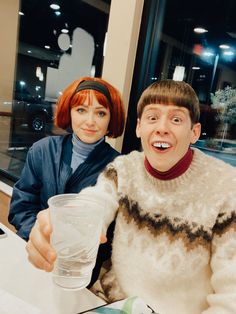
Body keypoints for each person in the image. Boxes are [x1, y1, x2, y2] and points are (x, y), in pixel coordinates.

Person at [26, 80, 236, 314]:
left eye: (176, 119)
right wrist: (54, 225)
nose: (162, 128)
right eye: (152, 117)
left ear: (194, 132)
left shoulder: (226, 187)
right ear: (138, 127)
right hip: (109, 302)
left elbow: (231, 296)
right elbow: (95, 202)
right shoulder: (123, 169)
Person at [9, 76, 125, 285]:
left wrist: (83, 247)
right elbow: (21, 207)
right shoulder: (42, 150)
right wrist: (39, 238)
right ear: (69, 112)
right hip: (35, 260)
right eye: (81, 110)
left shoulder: (119, 167)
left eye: (100, 113)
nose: (90, 121)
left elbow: (115, 235)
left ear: (111, 120)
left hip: (80, 274)